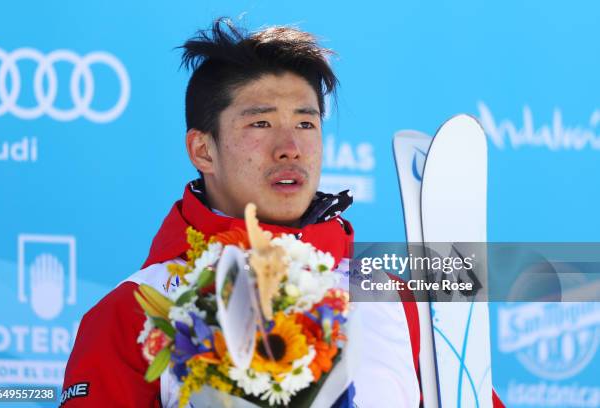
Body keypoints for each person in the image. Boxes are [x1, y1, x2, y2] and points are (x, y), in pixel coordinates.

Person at [61, 18, 502, 407]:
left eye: (306, 124)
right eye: (261, 123)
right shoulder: (137, 309)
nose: (291, 148)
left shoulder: (400, 303)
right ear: (202, 149)